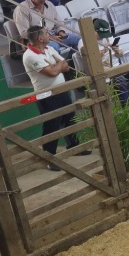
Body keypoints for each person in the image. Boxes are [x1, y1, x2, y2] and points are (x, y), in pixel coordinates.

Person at [22, 26, 82, 167]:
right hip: (46, 95)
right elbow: (52, 73)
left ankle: (75, 147)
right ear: (40, 38)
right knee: (52, 125)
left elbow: (66, 67)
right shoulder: (30, 55)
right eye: (47, 34)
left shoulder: (50, 49)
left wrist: (57, 65)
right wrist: (58, 64)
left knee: (69, 118)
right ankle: (50, 158)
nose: (50, 35)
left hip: (62, 90)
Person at [81, 18, 129, 103]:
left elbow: (121, 54)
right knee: (120, 80)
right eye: (100, 34)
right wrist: (104, 50)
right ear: (93, 30)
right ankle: (127, 109)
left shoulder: (109, 37)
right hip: (103, 70)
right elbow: (91, 62)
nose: (103, 36)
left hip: (117, 66)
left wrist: (117, 51)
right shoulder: (84, 42)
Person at [13, 0, 79, 52]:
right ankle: (60, 61)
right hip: (36, 40)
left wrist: (61, 31)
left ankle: (71, 61)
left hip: (53, 34)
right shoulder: (22, 9)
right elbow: (25, 33)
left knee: (78, 40)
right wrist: (48, 38)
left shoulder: (49, 4)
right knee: (54, 47)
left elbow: (58, 22)